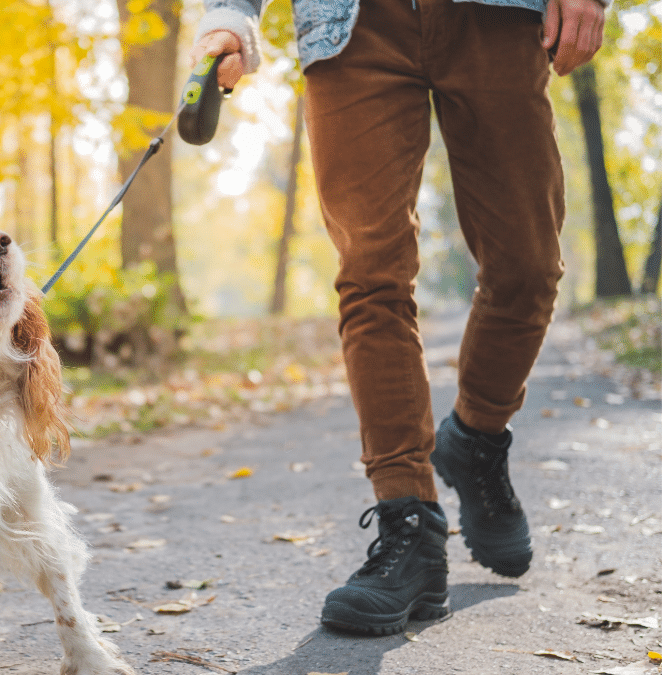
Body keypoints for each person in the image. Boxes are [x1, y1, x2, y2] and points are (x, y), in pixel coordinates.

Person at [190, 0, 606, 635]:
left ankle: (477, 438)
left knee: (527, 266)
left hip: (496, 17)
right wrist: (230, 13)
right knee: (371, 273)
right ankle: (407, 522)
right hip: (351, 27)